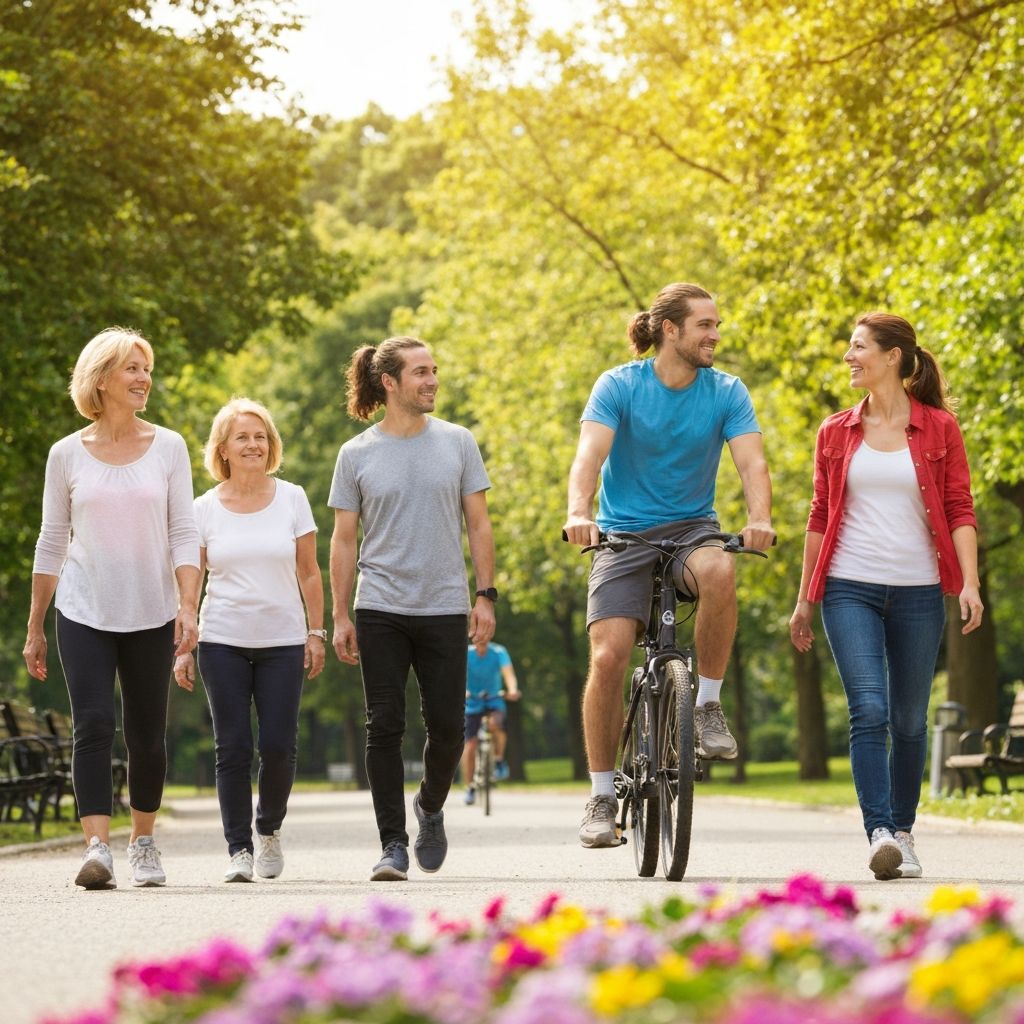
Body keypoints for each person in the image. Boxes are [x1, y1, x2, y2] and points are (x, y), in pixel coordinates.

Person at [563, 282, 775, 849]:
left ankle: (705, 705)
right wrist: (578, 511)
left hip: (691, 531)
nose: (715, 335)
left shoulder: (727, 391)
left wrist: (760, 518)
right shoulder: (619, 385)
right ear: (670, 330)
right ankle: (603, 795)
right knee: (607, 656)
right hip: (623, 535)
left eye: (716, 325)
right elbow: (590, 455)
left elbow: (752, 463)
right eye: (704, 325)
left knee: (721, 570)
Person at [789, 311, 983, 881]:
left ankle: (903, 830)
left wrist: (968, 582)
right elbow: (819, 517)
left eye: (858, 348)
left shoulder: (939, 428)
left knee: (908, 720)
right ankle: (879, 833)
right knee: (868, 710)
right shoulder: (835, 431)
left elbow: (959, 509)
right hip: (849, 586)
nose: (849, 357)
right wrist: (805, 599)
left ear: (892, 356)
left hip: (920, 590)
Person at [23, 327, 200, 889]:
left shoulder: (169, 446)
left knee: (146, 733)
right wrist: (34, 627)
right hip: (83, 608)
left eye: (146, 368)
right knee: (94, 723)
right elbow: (52, 539)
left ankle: (142, 841)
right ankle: (97, 848)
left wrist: (189, 606)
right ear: (101, 379)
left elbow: (183, 531)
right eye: (131, 368)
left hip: (152, 610)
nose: (143, 378)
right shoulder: (66, 454)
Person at [329, 335, 497, 881]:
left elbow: (478, 523)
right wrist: (339, 614)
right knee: (384, 725)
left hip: (445, 604)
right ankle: (391, 843)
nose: (432, 381)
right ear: (390, 382)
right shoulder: (356, 454)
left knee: (449, 728)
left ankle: (428, 805)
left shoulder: (457, 442)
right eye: (420, 372)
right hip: (379, 605)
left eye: (434, 371)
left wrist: (485, 595)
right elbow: (343, 539)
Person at [173, 398, 325, 883]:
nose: (254, 444)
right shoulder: (202, 509)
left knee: (279, 745)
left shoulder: (293, 497)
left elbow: (309, 572)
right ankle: (239, 848)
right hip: (222, 640)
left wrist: (316, 632)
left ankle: (269, 829)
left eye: (260, 436)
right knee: (232, 745)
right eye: (243, 437)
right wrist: (184, 644)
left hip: (282, 640)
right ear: (223, 448)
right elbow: (190, 582)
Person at [462, 639, 521, 803]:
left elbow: (508, 674)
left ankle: (499, 760)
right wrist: (462, 690)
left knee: (496, 725)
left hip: (494, 699)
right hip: (472, 702)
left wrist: (512, 690)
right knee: (470, 744)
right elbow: (457, 673)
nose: (481, 639)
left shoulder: (499, 652)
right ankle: (470, 787)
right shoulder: (466, 653)